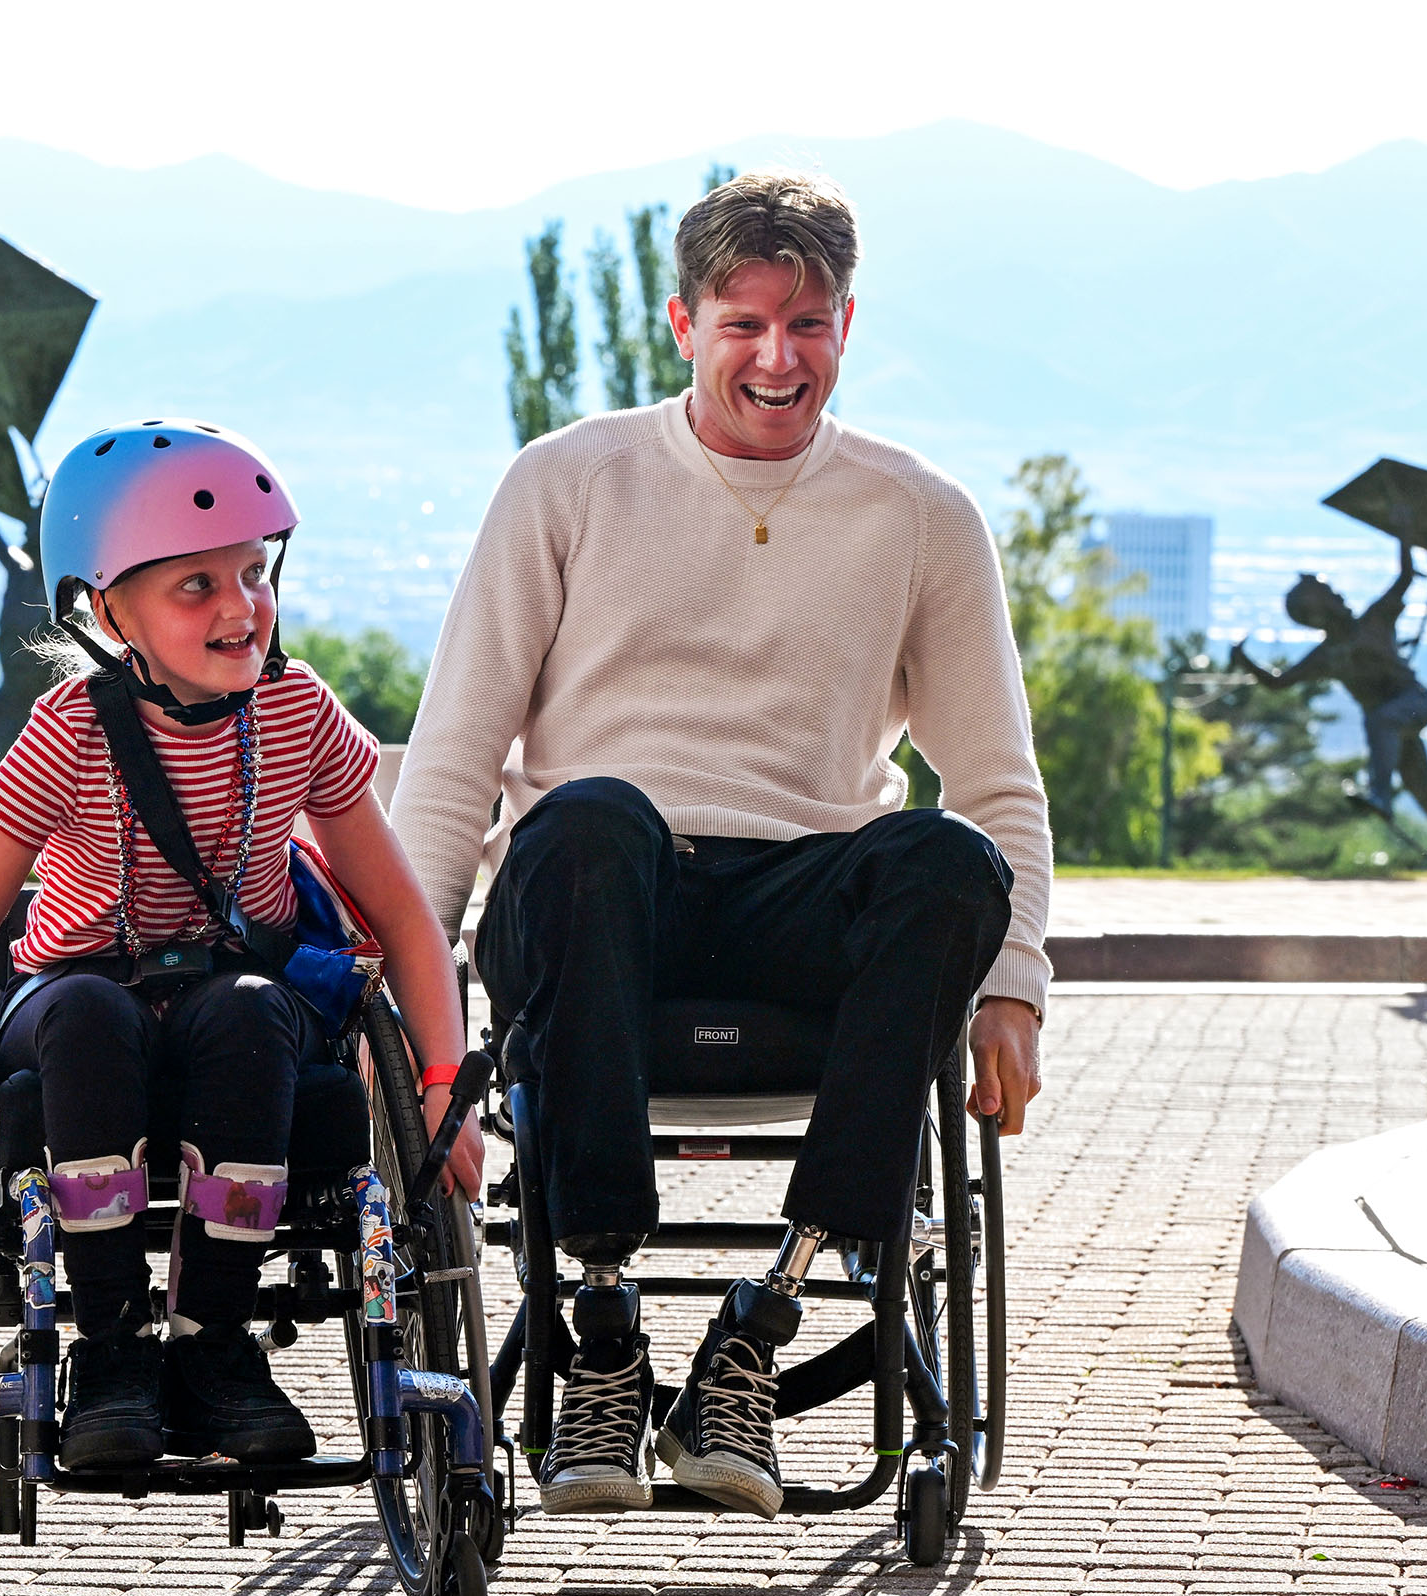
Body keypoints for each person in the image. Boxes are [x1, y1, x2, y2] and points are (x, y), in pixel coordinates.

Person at [390, 171, 1048, 1520]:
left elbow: (997, 783)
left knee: (947, 861)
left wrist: (1015, 981)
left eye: (805, 323)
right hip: (593, 893)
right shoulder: (568, 482)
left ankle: (764, 1321)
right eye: (743, 321)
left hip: (797, 894)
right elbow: (454, 757)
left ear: (845, 327)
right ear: (684, 325)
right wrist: (414, 1013)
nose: (776, 355)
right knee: (588, 818)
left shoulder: (919, 516)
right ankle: (603, 1328)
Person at [0, 421, 484, 1469]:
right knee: (91, 1014)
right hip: (72, 1002)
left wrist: (436, 1082)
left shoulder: (296, 712)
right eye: (194, 586)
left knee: (248, 1007)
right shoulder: (66, 732)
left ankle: (214, 1348)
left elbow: (407, 923)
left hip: (238, 1004)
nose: (240, 608)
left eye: (253, 573)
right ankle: (109, 1349)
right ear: (112, 612)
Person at [1230, 565, 1427, 862]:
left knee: (1383, 720)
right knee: (1422, 785)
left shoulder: (1375, 620)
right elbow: (1279, 682)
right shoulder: (1328, 655)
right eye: (1329, 595)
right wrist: (1244, 661)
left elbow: (1405, 577)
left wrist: (1405, 529)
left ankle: (1380, 796)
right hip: (1389, 726)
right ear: (1316, 614)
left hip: (1413, 703)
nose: (1339, 596)